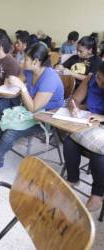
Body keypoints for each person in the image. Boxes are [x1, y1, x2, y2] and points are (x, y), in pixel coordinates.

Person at [0, 43, 64, 171]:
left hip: (46, 116)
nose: (21, 61)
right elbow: (13, 82)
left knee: (10, 132)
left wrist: (22, 87)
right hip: (29, 111)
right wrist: (11, 79)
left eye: (26, 59)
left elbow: (34, 108)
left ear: (36, 61)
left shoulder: (50, 78)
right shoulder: (29, 71)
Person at [63, 62, 104, 212]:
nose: (99, 83)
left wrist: (101, 117)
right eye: (99, 77)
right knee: (70, 142)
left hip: (100, 125)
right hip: (89, 121)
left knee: (99, 154)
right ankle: (73, 178)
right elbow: (75, 100)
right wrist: (73, 108)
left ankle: (97, 193)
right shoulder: (91, 79)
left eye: (102, 81)